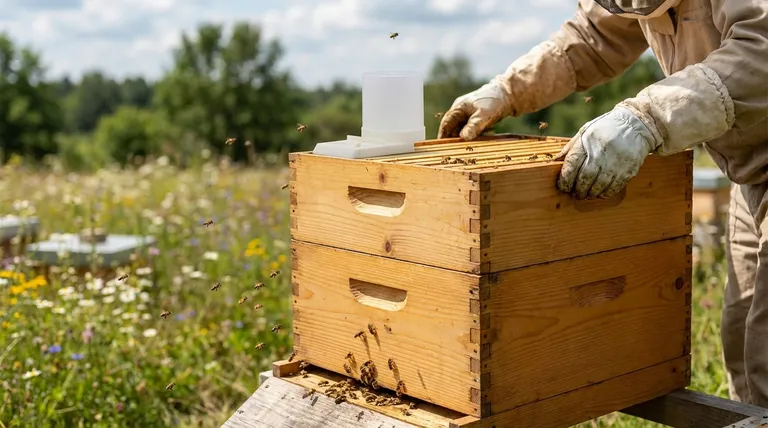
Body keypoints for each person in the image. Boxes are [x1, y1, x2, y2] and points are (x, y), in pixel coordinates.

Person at [437, 0, 768, 406]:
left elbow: (761, 48)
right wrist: (505, 91)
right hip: (750, 172)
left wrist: (649, 118)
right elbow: (590, 40)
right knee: (744, 343)